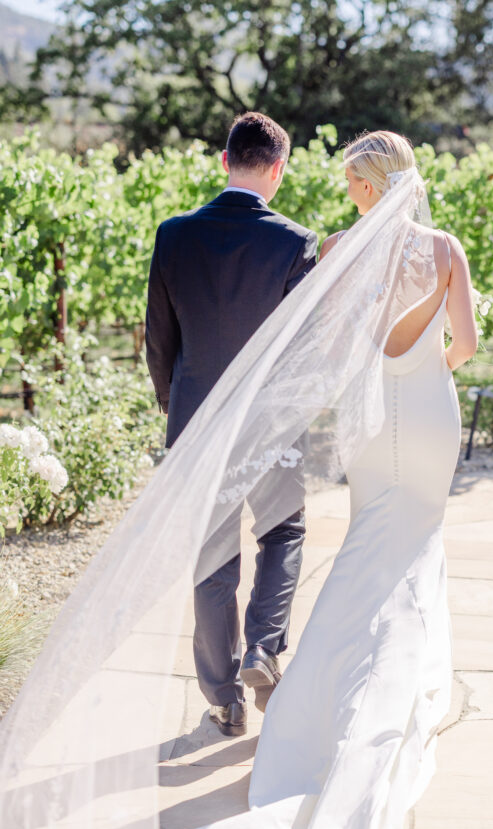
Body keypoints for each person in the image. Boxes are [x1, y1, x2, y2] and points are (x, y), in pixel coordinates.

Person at [155, 130, 478, 829]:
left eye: (352, 184)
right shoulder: (444, 248)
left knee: (367, 544)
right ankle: (394, 673)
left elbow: (324, 350)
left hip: (362, 427)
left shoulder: (337, 249)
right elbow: (465, 345)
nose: (349, 197)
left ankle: (276, 698)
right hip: (431, 414)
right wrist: (427, 368)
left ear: (367, 186)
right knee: (413, 544)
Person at [145, 111, 318, 738]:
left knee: (212, 557)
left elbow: (158, 340)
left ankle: (223, 699)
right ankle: (264, 650)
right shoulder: (296, 242)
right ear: (278, 168)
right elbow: (304, 350)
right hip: (272, 426)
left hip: (198, 424)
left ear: (225, 161)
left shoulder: (173, 235)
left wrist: (174, 404)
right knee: (285, 533)